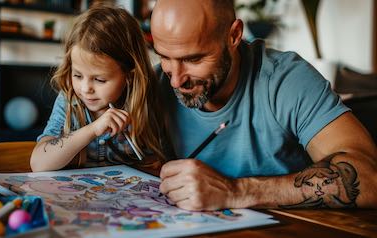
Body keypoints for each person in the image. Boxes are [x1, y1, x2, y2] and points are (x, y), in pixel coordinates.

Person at [151, 0, 377, 210]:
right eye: (164, 57)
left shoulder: (286, 80)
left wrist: (237, 191)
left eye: (193, 59)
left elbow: (369, 178)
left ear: (234, 35)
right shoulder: (156, 83)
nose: (176, 80)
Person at [30, 4, 168, 171]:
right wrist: (92, 130)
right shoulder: (70, 100)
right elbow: (38, 163)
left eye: (99, 80)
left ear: (129, 76)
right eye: (78, 75)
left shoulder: (146, 101)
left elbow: (157, 163)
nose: (86, 88)